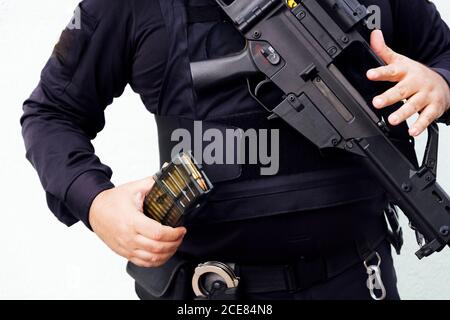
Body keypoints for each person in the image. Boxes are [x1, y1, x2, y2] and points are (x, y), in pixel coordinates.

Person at [21, 0, 450, 300]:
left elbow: (442, 54)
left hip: (357, 280)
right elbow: (51, 113)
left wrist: (440, 83)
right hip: (209, 289)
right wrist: (95, 201)